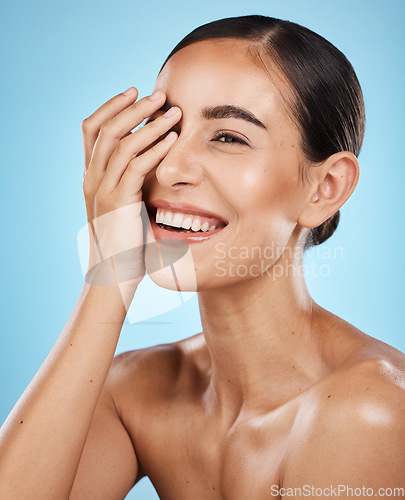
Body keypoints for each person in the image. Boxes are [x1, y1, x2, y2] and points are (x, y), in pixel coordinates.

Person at [1, 14, 404, 499]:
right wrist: (110, 272)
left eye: (228, 137)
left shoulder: (369, 412)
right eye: (162, 130)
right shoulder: (132, 393)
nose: (168, 167)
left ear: (325, 188)